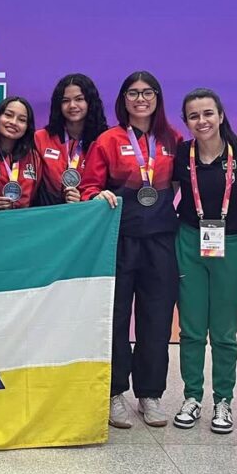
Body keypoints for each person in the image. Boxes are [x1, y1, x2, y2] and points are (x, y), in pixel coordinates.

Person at [80, 71, 180, 429]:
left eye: (147, 92)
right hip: (119, 240)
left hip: (161, 240)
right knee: (117, 316)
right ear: (123, 99)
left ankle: (150, 394)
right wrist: (97, 194)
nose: (141, 99)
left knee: (155, 320)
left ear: (157, 97)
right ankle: (114, 392)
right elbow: (90, 185)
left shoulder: (173, 139)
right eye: (133, 93)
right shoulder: (107, 140)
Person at [172, 89, 237, 434]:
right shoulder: (181, 152)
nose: (201, 121)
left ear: (220, 115)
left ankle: (223, 399)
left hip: (231, 243)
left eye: (208, 113)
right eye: (193, 116)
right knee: (190, 329)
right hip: (190, 240)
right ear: (186, 121)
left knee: (223, 331)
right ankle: (192, 396)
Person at [34, 74, 109, 206]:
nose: (72, 105)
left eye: (79, 99)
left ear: (90, 102)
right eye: (65, 100)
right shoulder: (40, 138)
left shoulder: (104, 139)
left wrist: (86, 198)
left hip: (90, 215)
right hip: (49, 215)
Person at [0, 96, 40, 209]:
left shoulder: (34, 157)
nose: (13, 122)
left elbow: (38, 199)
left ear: (28, 127)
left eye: (22, 120)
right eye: (8, 115)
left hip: (24, 223)